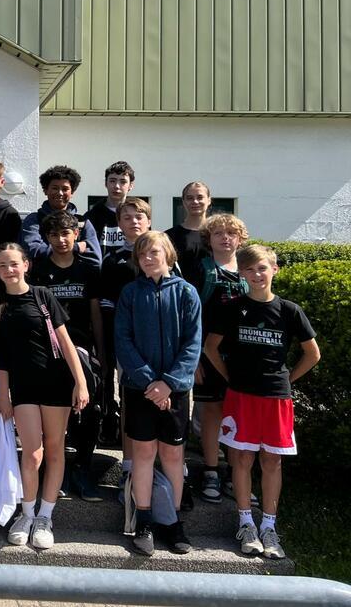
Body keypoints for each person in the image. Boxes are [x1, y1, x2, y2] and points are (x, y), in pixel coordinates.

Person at [205, 244, 320, 560]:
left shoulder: (290, 310)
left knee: (272, 462)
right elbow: (210, 348)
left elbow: (313, 353)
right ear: (242, 273)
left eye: (263, 268)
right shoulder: (233, 308)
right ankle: (246, 524)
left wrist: (288, 380)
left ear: (275, 269)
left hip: (275, 398)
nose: (257, 274)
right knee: (241, 460)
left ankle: (269, 527)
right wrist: (230, 377)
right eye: (250, 269)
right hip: (241, 395)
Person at [0, 243, 89, 550]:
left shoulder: (43, 295)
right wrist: (3, 394)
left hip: (56, 383)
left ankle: (46, 516)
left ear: (26, 265)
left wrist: (80, 382)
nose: (9, 269)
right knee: (32, 453)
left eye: (14, 263)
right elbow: (0, 356)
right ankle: (27, 513)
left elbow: (65, 341)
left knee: (55, 449)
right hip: (23, 387)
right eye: (3, 265)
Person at [115, 231, 201, 557]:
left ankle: (173, 521)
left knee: (173, 455)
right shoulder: (130, 293)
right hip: (140, 389)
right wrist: (151, 382)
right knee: (144, 454)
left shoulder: (186, 293)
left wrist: (169, 383)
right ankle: (145, 520)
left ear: (168, 254)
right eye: (142, 254)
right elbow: (123, 339)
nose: (148, 258)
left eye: (154, 252)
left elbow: (193, 343)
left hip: (175, 390)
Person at [28, 211, 104, 503]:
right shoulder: (37, 270)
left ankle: (82, 468)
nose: (61, 240)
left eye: (66, 234)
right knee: (52, 411)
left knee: (90, 410)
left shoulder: (89, 269)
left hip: (83, 349)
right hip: (47, 353)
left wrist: (101, 354)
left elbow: (96, 314)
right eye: (54, 235)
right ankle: (52, 469)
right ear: (46, 238)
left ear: (76, 236)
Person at [193, 213, 250, 505]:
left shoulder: (250, 270)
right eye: (219, 233)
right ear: (209, 239)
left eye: (231, 233)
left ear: (240, 238)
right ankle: (211, 470)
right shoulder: (201, 269)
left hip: (241, 357)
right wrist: (195, 360)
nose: (225, 238)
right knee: (212, 413)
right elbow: (191, 316)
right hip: (207, 355)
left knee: (239, 415)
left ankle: (235, 472)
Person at [96, 197, 152, 453]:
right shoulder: (113, 259)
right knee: (128, 390)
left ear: (148, 221)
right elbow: (105, 301)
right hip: (124, 338)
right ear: (118, 223)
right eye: (127, 217)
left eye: (139, 217)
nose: (133, 222)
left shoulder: (164, 254)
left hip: (157, 338)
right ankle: (129, 458)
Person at [21, 165, 101, 268]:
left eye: (65, 189)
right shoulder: (34, 220)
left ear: (72, 192)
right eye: (55, 188)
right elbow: (32, 250)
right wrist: (75, 248)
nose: (59, 193)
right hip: (42, 281)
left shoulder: (82, 222)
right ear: (45, 190)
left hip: (77, 282)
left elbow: (95, 259)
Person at [165, 181, 212, 289]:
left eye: (200, 197)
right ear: (183, 201)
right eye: (190, 198)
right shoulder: (169, 236)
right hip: (181, 296)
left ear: (209, 200)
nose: (195, 201)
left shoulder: (218, 234)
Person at [84, 161, 136, 260]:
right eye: (112, 181)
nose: (116, 186)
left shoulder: (138, 216)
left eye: (123, 181)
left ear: (131, 185)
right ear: (105, 183)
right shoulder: (91, 216)